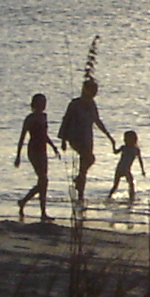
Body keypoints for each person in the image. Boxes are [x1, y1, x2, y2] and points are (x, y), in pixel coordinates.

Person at [59, 75, 116, 204]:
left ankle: (80, 194)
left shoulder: (92, 104)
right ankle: (79, 183)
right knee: (89, 159)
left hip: (87, 137)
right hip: (75, 137)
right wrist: (62, 140)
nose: (94, 94)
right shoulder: (74, 104)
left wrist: (109, 137)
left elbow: (97, 121)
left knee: (83, 167)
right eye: (92, 91)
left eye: (95, 92)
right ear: (85, 90)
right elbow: (65, 120)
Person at [13, 93, 58, 221]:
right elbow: (22, 137)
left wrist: (53, 147)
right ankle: (40, 211)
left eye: (44, 103)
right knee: (43, 180)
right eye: (41, 103)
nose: (43, 105)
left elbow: (45, 135)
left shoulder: (44, 117)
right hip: (33, 150)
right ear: (35, 104)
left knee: (43, 182)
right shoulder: (30, 119)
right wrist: (18, 156)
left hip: (43, 150)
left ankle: (25, 202)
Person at [108, 128, 146, 204]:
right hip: (120, 168)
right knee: (116, 185)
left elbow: (140, 160)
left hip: (126, 169)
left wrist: (142, 170)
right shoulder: (124, 147)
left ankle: (131, 198)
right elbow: (115, 152)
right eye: (124, 139)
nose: (124, 140)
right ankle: (109, 197)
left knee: (131, 184)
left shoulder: (136, 149)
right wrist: (113, 144)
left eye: (126, 139)